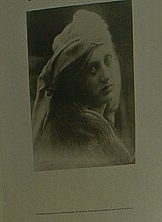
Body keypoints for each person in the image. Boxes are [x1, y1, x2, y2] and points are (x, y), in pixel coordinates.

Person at [31, 8, 134, 171]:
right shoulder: (82, 136)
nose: (106, 76)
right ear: (74, 81)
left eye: (107, 61)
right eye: (93, 69)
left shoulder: (97, 125)